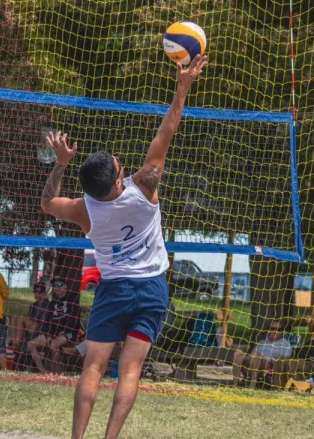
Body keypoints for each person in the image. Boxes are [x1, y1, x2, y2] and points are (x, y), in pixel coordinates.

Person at [40, 53, 208, 439]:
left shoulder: (86, 210)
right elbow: (165, 133)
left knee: (93, 369)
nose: (119, 161)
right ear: (117, 182)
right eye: (118, 165)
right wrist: (182, 87)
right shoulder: (144, 185)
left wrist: (61, 163)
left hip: (113, 289)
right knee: (130, 371)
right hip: (151, 289)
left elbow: (47, 203)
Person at [27, 276, 83, 373]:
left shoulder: (73, 299)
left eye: (59, 284)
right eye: (54, 285)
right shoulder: (52, 303)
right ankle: (43, 371)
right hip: (53, 333)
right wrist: (48, 334)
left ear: (65, 286)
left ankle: (54, 374)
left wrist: (64, 331)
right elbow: (47, 321)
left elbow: (74, 320)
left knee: (54, 345)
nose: (56, 287)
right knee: (30, 344)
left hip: (69, 333)